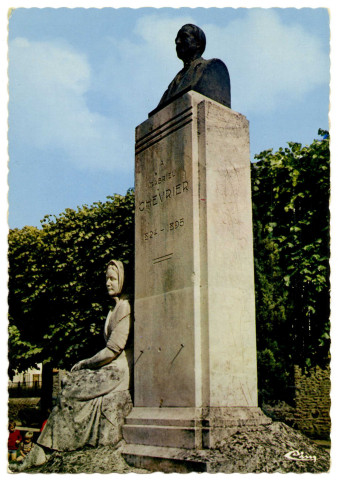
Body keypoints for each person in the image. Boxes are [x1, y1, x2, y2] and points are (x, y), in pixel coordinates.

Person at [37, 260, 133, 451]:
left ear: (122, 280)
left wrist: (85, 363)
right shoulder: (113, 309)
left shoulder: (125, 307)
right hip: (110, 367)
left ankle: (52, 447)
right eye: (107, 279)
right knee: (69, 385)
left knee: (71, 390)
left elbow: (113, 350)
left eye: (113, 279)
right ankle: (49, 447)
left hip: (119, 370)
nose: (108, 283)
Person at [154, 24, 231, 114]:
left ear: (198, 43)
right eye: (176, 40)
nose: (178, 42)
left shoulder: (212, 67)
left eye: (184, 37)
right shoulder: (173, 83)